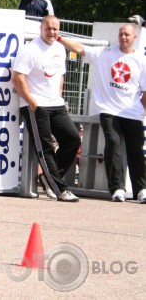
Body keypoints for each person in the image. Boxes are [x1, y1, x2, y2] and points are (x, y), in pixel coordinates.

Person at [58, 23, 146, 203]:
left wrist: (143, 111)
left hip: (132, 112)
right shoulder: (106, 53)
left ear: (134, 38)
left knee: (135, 149)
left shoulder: (141, 60)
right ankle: (117, 189)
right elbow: (81, 49)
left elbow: (145, 91)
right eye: (121, 34)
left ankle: (141, 189)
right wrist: (59, 38)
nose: (123, 37)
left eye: (127, 35)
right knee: (113, 143)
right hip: (109, 110)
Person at [12, 15, 81, 202]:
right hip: (36, 105)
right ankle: (59, 190)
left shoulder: (60, 48)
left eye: (55, 29)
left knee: (72, 139)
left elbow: (60, 76)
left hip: (55, 103)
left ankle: (49, 178)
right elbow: (18, 78)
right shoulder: (30, 49)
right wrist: (33, 103)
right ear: (41, 29)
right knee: (46, 147)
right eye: (48, 28)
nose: (52, 32)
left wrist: (59, 96)